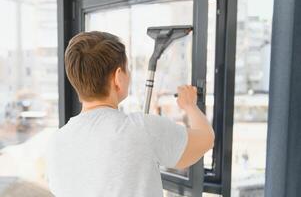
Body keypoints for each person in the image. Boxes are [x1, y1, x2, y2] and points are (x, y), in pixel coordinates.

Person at [46, 31, 215, 197]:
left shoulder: (56, 142)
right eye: (127, 68)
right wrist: (190, 106)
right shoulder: (140, 128)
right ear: (118, 77)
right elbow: (206, 139)